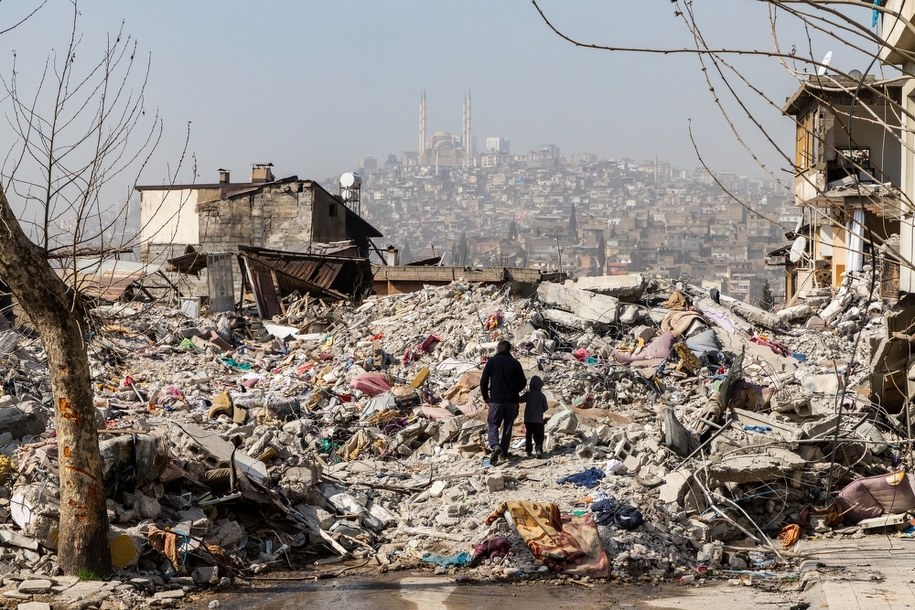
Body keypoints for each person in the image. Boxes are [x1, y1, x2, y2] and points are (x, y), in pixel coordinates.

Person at [480, 339, 526, 465]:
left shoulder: (492, 362)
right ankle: (504, 452)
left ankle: (495, 446)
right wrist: (514, 391)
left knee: (493, 424)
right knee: (508, 426)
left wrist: (486, 397)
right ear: (509, 349)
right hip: (512, 401)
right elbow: (523, 382)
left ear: (498, 349)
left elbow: (483, 381)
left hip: (496, 400)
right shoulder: (515, 363)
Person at [519, 375, 548, 458]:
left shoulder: (528, 394)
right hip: (538, 420)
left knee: (528, 435)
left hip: (528, 419)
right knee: (539, 435)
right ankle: (538, 449)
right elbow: (546, 407)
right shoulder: (542, 396)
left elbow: (520, 400)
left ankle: (528, 451)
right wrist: (540, 410)